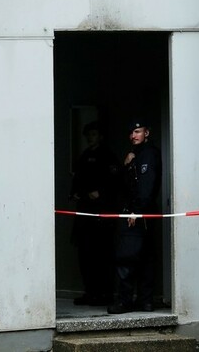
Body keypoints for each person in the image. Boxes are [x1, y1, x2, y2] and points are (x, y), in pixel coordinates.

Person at [107, 117, 162, 314]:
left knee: (127, 257)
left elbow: (146, 186)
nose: (133, 135)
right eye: (131, 132)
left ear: (146, 133)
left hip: (138, 214)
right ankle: (145, 301)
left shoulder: (148, 154)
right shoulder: (136, 154)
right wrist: (126, 164)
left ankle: (125, 301)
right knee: (145, 257)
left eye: (137, 131)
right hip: (142, 213)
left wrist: (137, 211)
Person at [69, 121, 118, 306]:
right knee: (85, 254)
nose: (90, 138)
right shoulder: (84, 156)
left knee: (102, 254)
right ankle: (90, 292)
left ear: (101, 136)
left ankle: (105, 294)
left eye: (94, 134)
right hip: (84, 213)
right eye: (88, 135)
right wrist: (75, 193)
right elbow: (77, 180)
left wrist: (101, 192)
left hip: (101, 215)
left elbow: (114, 182)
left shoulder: (108, 156)